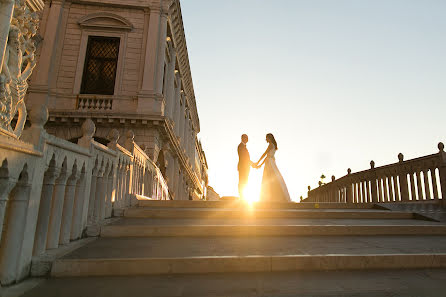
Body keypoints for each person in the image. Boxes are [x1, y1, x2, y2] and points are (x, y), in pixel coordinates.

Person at [254, 133, 291, 202]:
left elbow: (264, 154)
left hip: (269, 164)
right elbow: (267, 157)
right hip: (270, 162)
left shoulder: (270, 145)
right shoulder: (272, 145)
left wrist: (257, 162)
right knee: (271, 180)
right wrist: (260, 165)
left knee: (269, 179)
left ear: (269, 138)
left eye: (267, 138)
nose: (266, 139)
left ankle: (271, 197)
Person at [237, 134, 254, 199]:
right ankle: (241, 196)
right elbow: (244, 158)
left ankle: (243, 196)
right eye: (246, 138)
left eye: (247, 138)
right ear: (242, 138)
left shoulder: (244, 147)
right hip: (242, 167)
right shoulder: (241, 146)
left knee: (245, 181)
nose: (247, 139)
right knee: (242, 181)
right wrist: (253, 164)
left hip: (245, 167)